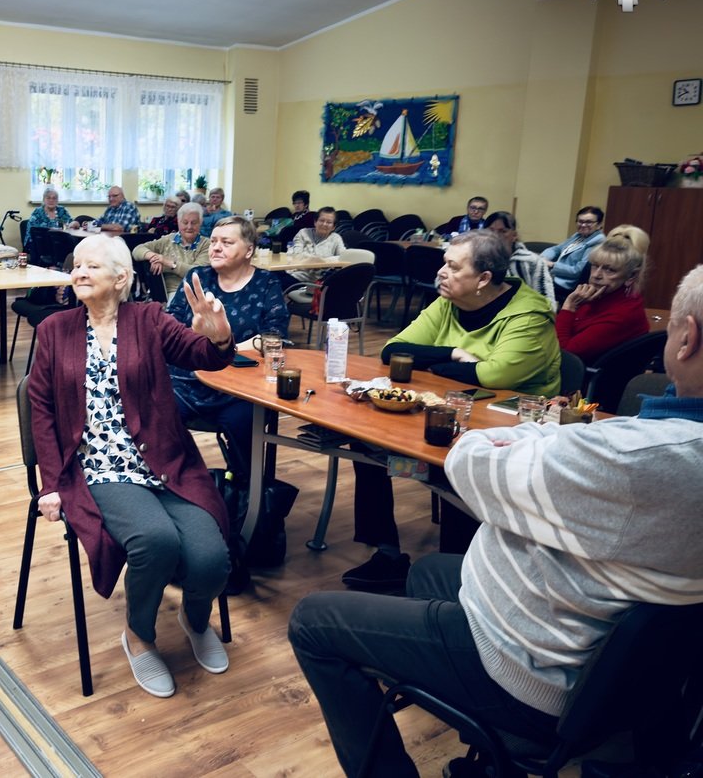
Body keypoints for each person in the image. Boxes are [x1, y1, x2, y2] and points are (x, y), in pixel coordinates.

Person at [288, 264, 703, 778]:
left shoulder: (636, 458)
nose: (442, 270)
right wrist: (554, 436)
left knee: (313, 622)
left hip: (531, 670)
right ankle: (483, 753)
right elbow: (401, 351)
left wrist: (546, 437)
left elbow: (469, 458)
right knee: (427, 572)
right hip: (613, 649)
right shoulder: (641, 450)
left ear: (687, 338)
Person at [28, 234, 236, 698]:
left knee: (210, 556)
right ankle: (139, 635)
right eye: (76, 265)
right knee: (155, 542)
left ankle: (195, 619)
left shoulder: (148, 319)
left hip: (164, 461)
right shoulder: (54, 330)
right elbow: (41, 410)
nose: (79, 272)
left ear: (122, 278)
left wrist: (217, 334)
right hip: (98, 466)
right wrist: (49, 485)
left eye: (92, 266)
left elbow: (201, 354)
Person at [342, 231, 561, 591]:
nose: (441, 272)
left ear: (485, 279)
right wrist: (454, 356)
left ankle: (457, 574)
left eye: (453, 266)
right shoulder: (449, 302)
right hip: (449, 413)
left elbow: (495, 375)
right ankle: (387, 552)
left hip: (511, 431)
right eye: (444, 263)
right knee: (367, 445)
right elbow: (393, 351)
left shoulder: (529, 315)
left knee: (457, 466)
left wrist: (429, 363)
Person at [167, 216, 289, 500]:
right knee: (154, 411)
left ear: (248, 250)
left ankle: (246, 497)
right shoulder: (199, 278)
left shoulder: (266, 283)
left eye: (227, 242)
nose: (216, 248)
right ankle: (176, 484)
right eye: (214, 241)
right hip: (188, 381)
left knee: (243, 422)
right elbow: (170, 325)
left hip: (242, 387)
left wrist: (224, 347)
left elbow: (275, 337)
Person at [556, 234, 649, 365]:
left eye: (609, 270)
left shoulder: (623, 314)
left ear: (631, 277)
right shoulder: (598, 295)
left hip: (580, 380)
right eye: (595, 266)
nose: (596, 275)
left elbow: (564, 356)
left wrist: (569, 307)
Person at [132, 201, 209, 301]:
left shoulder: (207, 244)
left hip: (193, 293)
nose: (189, 227)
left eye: (194, 223)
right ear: (178, 222)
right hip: (164, 293)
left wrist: (168, 263)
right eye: (185, 222)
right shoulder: (168, 240)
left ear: (200, 223)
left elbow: (196, 273)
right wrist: (154, 257)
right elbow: (137, 250)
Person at [483, 210, 556, 310]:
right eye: (490, 230)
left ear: (514, 236)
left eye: (503, 231)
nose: (495, 236)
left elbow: (546, 301)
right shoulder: (477, 260)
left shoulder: (531, 262)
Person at [541, 205, 605, 301]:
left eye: (589, 222)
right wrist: (542, 258)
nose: (583, 225)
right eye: (580, 221)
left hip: (565, 285)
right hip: (553, 276)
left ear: (599, 225)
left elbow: (578, 271)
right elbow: (556, 249)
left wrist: (551, 265)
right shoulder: (578, 236)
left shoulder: (597, 242)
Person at [283, 206, 346, 295]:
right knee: (272, 280)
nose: (324, 224)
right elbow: (296, 254)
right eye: (321, 220)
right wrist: (320, 261)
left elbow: (343, 257)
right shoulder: (303, 233)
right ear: (315, 222)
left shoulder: (336, 238)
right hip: (298, 274)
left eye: (329, 222)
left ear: (333, 227)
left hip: (320, 280)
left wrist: (323, 261)